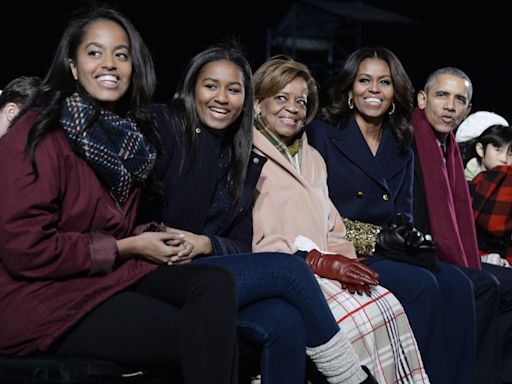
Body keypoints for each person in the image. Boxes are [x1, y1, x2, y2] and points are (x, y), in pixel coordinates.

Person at [0, 7, 240, 384]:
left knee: (214, 285)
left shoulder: (126, 137)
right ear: (73, 66)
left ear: (133, 66)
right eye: (94, 52)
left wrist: (157, 235)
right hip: (38, 297)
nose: (109, 64)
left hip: (97, 279)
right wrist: (129, 247)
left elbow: (107, 222)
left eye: (121, 54)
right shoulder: (38, 133)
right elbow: (26, 249)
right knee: (199, 335)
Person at [143, 44, 377, 384]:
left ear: (245, 99)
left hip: (210, 266)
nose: (222, 98)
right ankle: (352, 378)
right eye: (211, 86)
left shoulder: (242, 156)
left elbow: (242, 241)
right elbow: (138, 210)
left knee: (286, 322)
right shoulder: (168, 127)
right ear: (192, 88)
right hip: (159, 266)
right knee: (289, 270)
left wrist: (207, 243)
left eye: (233, 89)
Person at [250, 55, 429, 383]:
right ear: (258, 104)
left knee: (386, 305)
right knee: (359, 321)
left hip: (328, 266)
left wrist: (347, 265)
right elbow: (256, 235)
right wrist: (321, 263)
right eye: (281, 98)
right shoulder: (248, 155)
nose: (292, 107)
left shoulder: (312, 157)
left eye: (301, 101)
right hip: (286, 269)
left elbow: (332, 224)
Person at [306, 47, 476, 384]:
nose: (373, 89)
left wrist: (408, 235)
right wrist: (377, 238)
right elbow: (316, 213)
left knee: (460, 284)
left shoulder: (400, 142)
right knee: (422, 285)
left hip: (390, 251)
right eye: (364, 80)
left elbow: (403, 213)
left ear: (394, 91)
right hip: (345, 251)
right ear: (350, 89)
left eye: (383, 82)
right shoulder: (323, 134)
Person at [411, 66, 512, 384]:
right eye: (442, 95)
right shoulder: (410, 139)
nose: (450, 106)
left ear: (467, 109)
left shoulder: (449, 148)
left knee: (505, 284)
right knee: (485, 285)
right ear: (423, 99)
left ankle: (491, 373)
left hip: (442, 250)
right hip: (414, 249)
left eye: (459, 99)